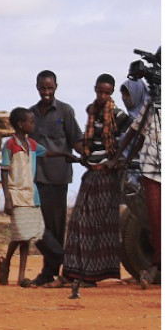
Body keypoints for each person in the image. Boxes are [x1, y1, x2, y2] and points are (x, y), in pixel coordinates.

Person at [63, 74, 127, 297]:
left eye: (106, 93)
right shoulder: (92, 112)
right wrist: (83, 156)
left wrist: (115, 160)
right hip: (91, 173)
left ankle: (91, 275)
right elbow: (89, 143)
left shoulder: (119, 116)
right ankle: (75, 271)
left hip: (107, 177)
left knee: (96, 225)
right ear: (95, 89)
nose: (102, 96)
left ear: (112, 93)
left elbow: (129, 140)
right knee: (78, 222)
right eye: (99, 91)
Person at [28, 69, 83, 288]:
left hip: (58, 177)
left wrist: (89, 157)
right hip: (36, 178)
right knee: (35, 226)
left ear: (56, 87)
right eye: (43, 88)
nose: (46, 92)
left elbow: (76, 140)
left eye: (50, 88)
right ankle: (60, 258)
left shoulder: (65, 111)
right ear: (37, 87)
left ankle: (48, 273)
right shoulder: (31, 114)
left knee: (56, 227)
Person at [0, 107, 45, 287]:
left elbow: (47, 152)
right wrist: (7, 198)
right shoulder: (9, 145)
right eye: (30, 122)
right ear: (20, 124)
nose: (33, 125)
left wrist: (66, 155)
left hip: (30, 195)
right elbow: (3, 171)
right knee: (20, 234)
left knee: (26, 237)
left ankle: (21, 276)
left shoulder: (32, 145)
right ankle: (7, 261)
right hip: (16, 194)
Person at [120, 77, 161, 282]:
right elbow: (138, 131)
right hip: (152, 168)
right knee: (155, 219)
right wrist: (122, 157)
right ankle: (156, 265)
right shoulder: (151, 103)